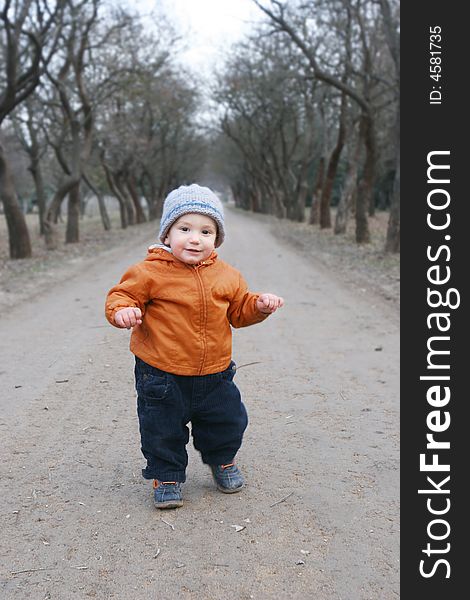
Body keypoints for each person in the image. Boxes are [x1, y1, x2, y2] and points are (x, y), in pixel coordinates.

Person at [105, 183, 284, 509]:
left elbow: (239, 311)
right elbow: (123, 295)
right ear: (167, 234)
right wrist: (123, 311)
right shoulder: (148, 272)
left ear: (216, 239)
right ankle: (167, 475)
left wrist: (258, 306)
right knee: (161, 428)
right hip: (160, 372)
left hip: (214, 373)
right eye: (184, 228)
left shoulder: (227, 276)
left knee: (227, 421)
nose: (195, 238)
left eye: (206, 231)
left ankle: (223, 460)